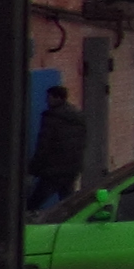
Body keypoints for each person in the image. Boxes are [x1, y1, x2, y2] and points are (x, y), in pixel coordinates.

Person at [27, 85, 88, 214]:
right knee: (68, 201)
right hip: (72, 168)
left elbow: (43, 146)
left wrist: (32, 170)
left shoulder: (52, 118)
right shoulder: (78, 116)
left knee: (33, 202)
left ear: (58, 98)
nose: (47, 101)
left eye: (49, 97)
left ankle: (26, 227)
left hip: (53, 170)